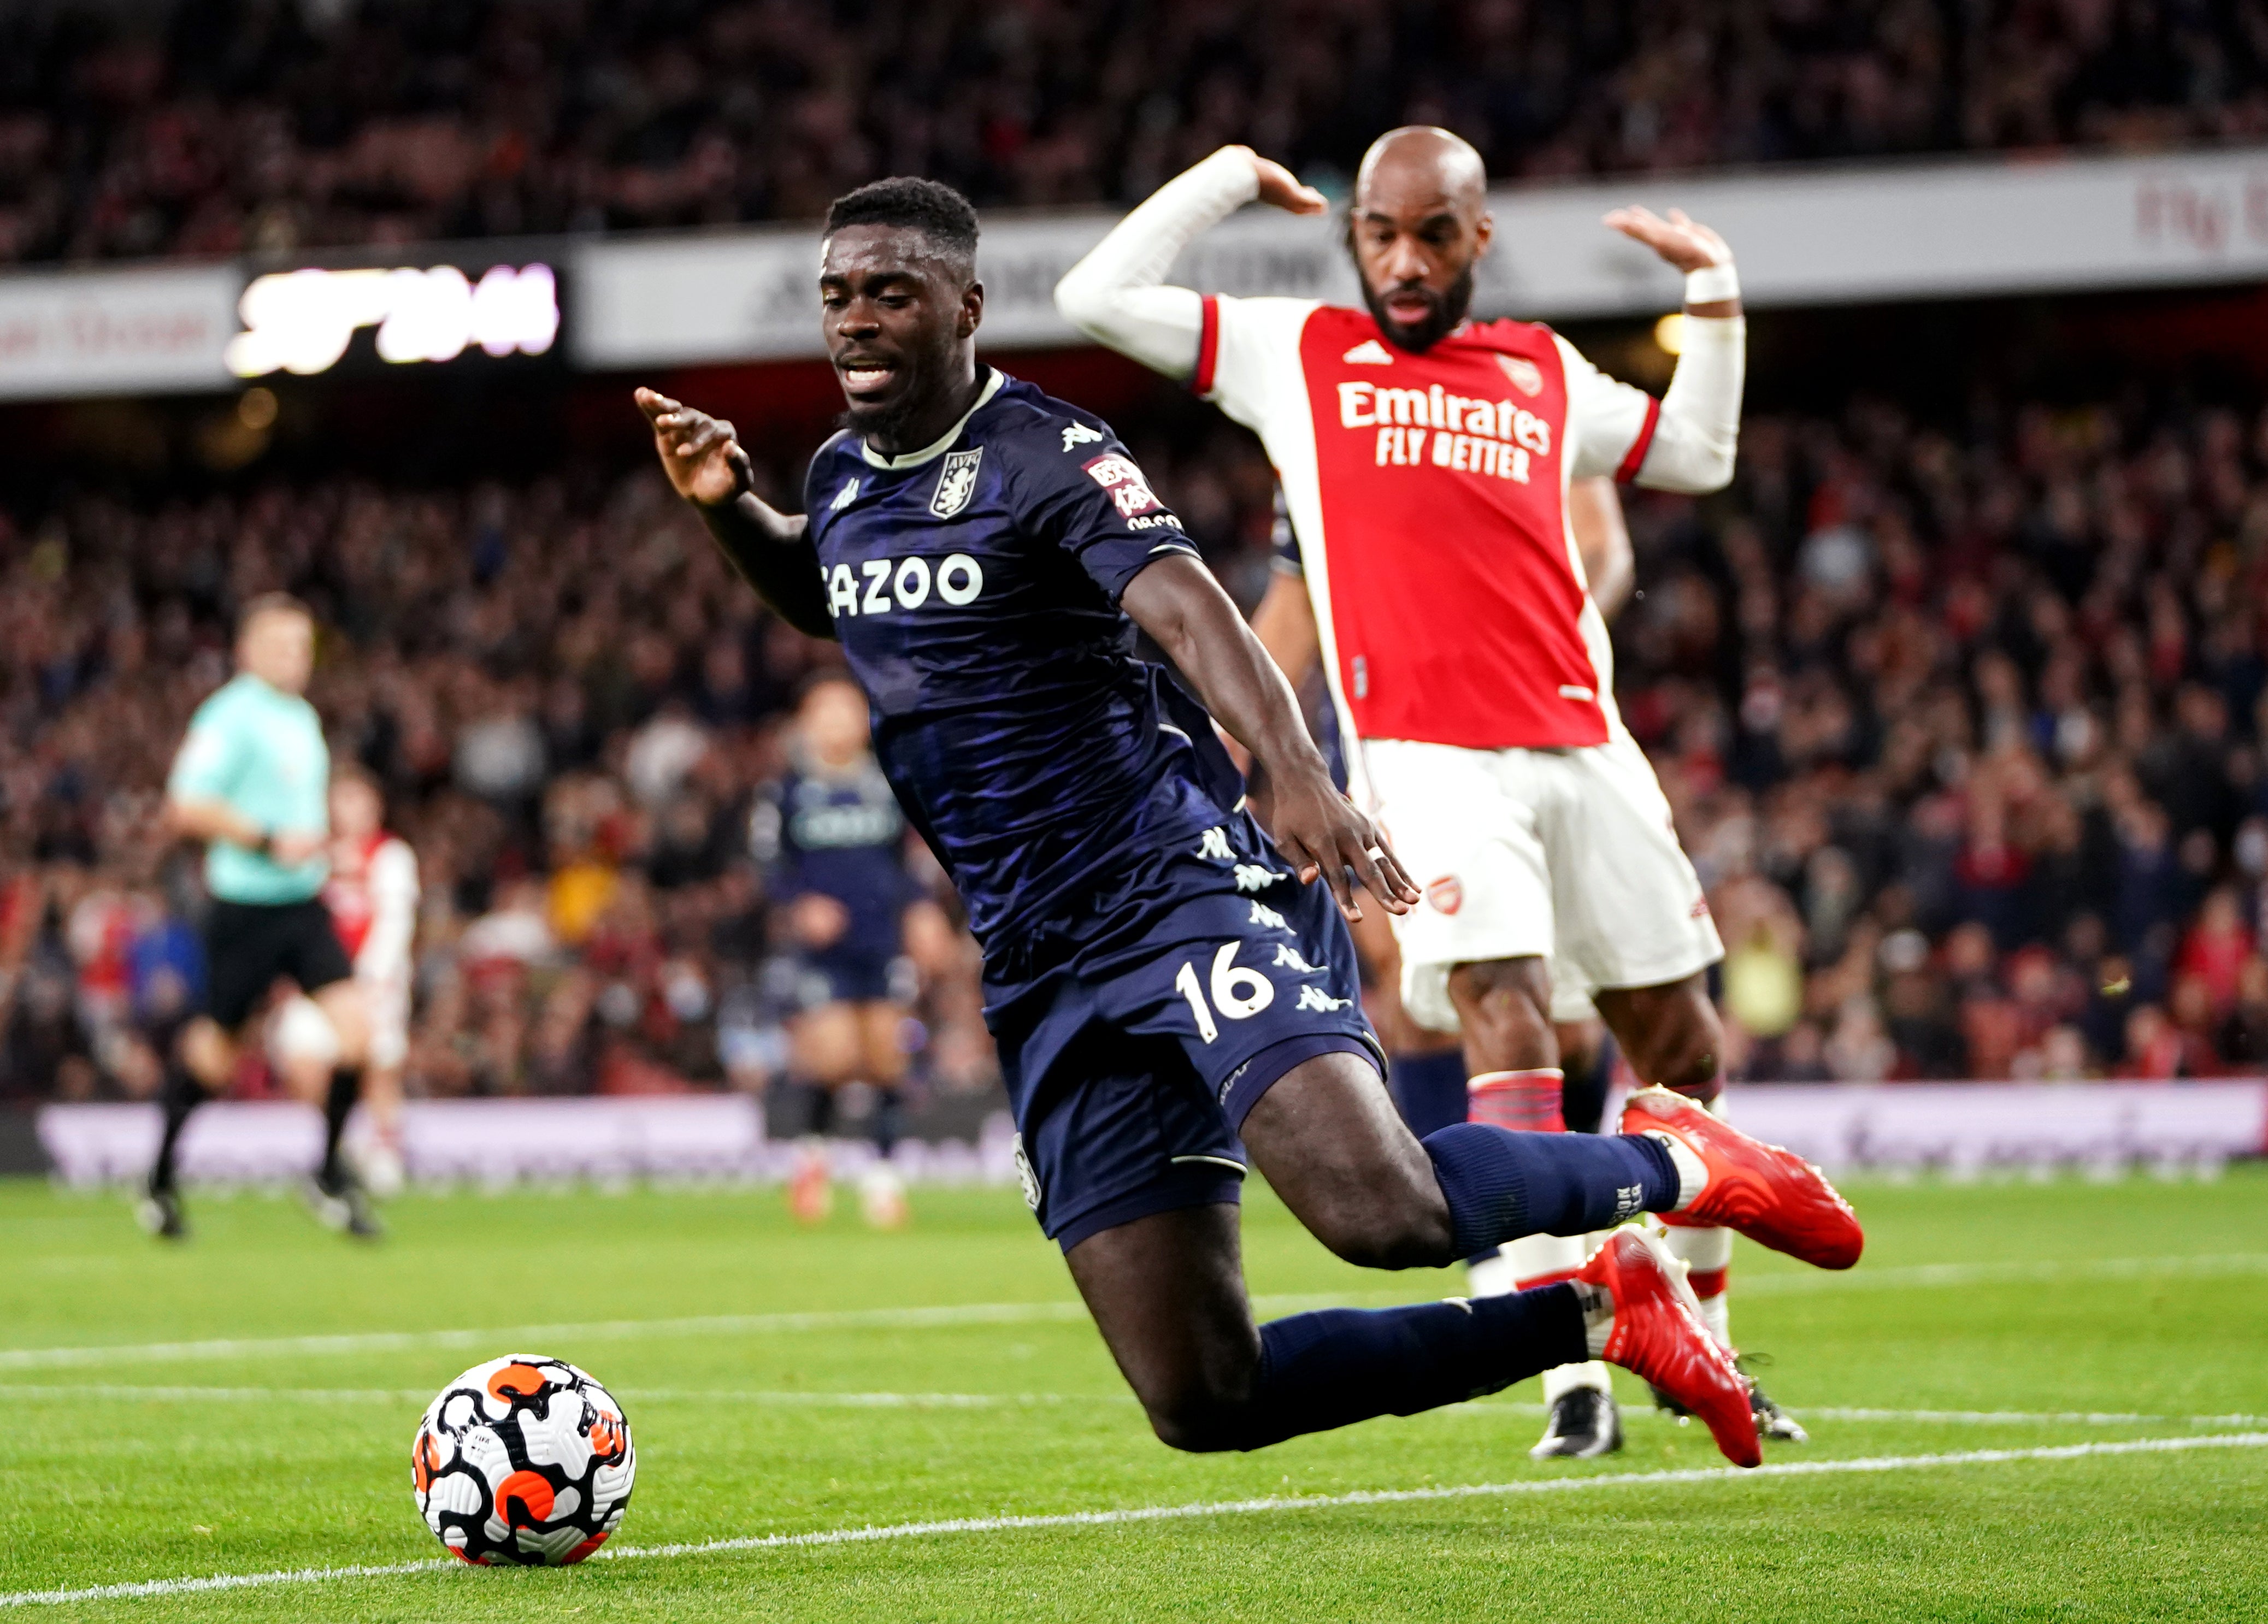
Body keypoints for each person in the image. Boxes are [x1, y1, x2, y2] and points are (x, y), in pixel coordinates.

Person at [635, 174, 1861, 1468]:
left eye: (891, 291)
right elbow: (827, 592)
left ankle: (1667, 1159)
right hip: (1041, 963)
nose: (857, 321)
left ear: (965, 307)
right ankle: (1609, 1311)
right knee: (1204, 1395)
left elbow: (1185, 604)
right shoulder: (838, 476)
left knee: (1378, 1206)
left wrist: (1289, 767)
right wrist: (729, 508)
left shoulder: (1048, 452)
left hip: (1173, 886)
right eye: (839, 295)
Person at [1056, 129, 1781, 1458]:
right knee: (1510, 1016)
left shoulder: (1542, 370)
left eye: (1431, 235)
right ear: (1355, 235)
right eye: (1379, 232)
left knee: (1681, 1049)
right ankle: (1573, 1370)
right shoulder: (1303, 354)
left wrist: (1717, 295)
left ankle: (1710, 1342)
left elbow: (1699, 454)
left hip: (1584, 740)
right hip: (1429, 755)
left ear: (1478, 239)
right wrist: (1226, 178)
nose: (1401, 258)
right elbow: (1094, 298)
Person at [144, 594, 378, 1239]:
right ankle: (160, 1181)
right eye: (280, 646)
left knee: (358, 1032)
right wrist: (270, 839)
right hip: (245, 908)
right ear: (246, 652)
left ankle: (327, 1172)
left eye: (302, 647)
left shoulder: (300, 715)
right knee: (214, 1058)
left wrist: (323, 847)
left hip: (302, 905)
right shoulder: (228, 717)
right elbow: (186, 806)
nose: (295, 659)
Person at [752, 674, 920, 1227]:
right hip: (822, 951)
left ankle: (882, 1178)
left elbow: (905, 861)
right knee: (835, 1057)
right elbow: (768, 866)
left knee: (886, 1061)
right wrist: (801, 904)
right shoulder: (788, 792)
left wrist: (920, 912)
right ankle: (812, 1157)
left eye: (845, 711)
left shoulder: (887, 784)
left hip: (880, 940)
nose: (836, 723)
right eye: (824, 712)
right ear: (805, 723)